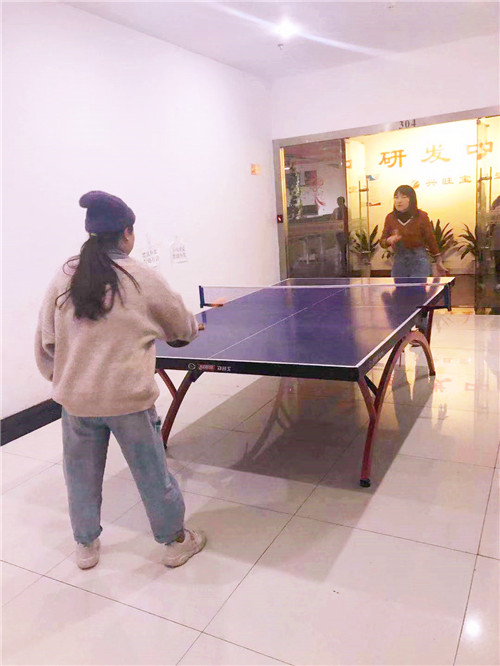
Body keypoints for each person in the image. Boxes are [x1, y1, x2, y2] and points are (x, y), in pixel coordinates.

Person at [35, 191, 206, 570]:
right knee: (152, 475)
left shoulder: (65, 275)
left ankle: (85, 546)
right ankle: (175, 543)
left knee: (80, 477)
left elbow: (46, 341)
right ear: (127, 232)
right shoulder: (140, 276)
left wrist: (63, 380)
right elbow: (181, 327)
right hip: (129, 401)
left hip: (77, 402)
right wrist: (191, 329)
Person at [380, 185, 447, 278]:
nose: (399, 201)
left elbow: (430, 239)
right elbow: (382, 242)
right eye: (396, 197)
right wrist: (388, 240)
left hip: (419, 262)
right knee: (399, 287)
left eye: (404, 197)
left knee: (418, 287)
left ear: (411, 199)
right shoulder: (390, 217)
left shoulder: (422, 216)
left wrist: (438, 261)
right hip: (399, 263)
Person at [331, 196, 348, 274]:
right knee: (341, 248)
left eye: (340, 201)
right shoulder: (336, 210)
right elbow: (332, 219)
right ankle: (342, 263)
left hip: (345, 231)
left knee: (345, 248)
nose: (338, 203)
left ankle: (345, 263)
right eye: (338, 201)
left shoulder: (347, 210)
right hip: (338, 232)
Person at [490, 195, 500, 292]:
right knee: (498, 262)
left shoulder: (496, 203)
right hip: (498, 238)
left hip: (497, 237)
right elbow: (491, 221)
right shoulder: (496, 202)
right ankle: (498, 283)